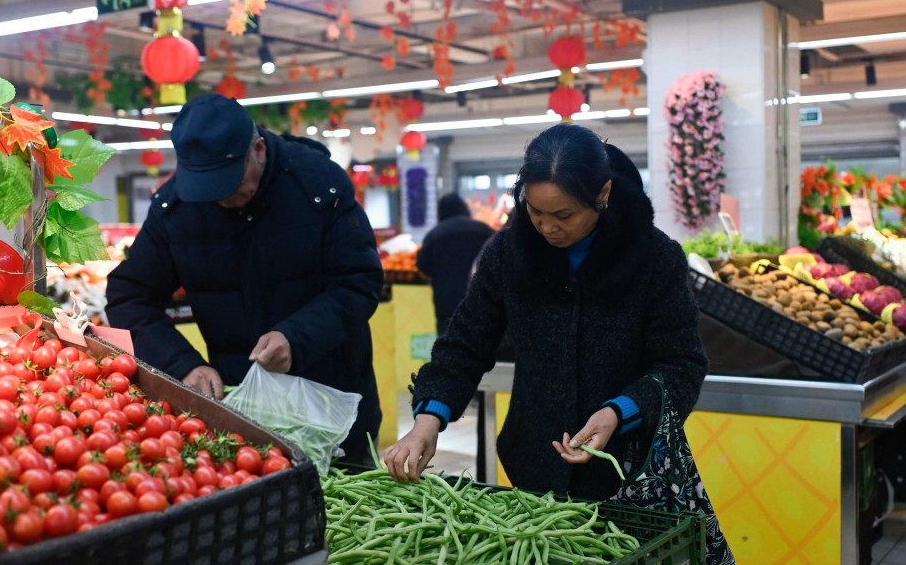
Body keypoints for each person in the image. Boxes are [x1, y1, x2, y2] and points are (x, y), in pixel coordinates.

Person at [383, 123, 709, 500]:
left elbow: (682, 364)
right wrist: (427, 422)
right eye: (535, 211)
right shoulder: (509, 252)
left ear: (602, 194)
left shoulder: (655, 257)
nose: (547, 227)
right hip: (534, 462)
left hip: (630, 469)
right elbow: (464, 344)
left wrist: (619, 412)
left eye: (564, 215)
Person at [106, 93, 384, 459]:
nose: (220, 199)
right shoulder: (177, 208)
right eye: (206, 189)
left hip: (334, 406)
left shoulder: (318, 186)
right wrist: (182, 365)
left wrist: (297, 339)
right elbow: (129, 295)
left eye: (230, 184)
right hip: (241, 414)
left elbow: (359, 281)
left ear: (258, 149)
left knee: (346, 511)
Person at [417, 193, 496, 335]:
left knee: (450, 348)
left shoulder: (434, 235)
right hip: (483, 301)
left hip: (447, 303)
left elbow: (422, 266)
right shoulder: (485, 231)